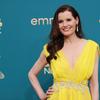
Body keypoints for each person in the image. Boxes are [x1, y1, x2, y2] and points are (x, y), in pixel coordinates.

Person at [28, 4, 99, 100]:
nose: (65, 25)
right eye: (60, 21)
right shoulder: (51, 48)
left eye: (68, 20)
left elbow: (94, 84)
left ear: (76, 20)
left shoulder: (92, 47)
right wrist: (42, 95)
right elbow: (31, 74)